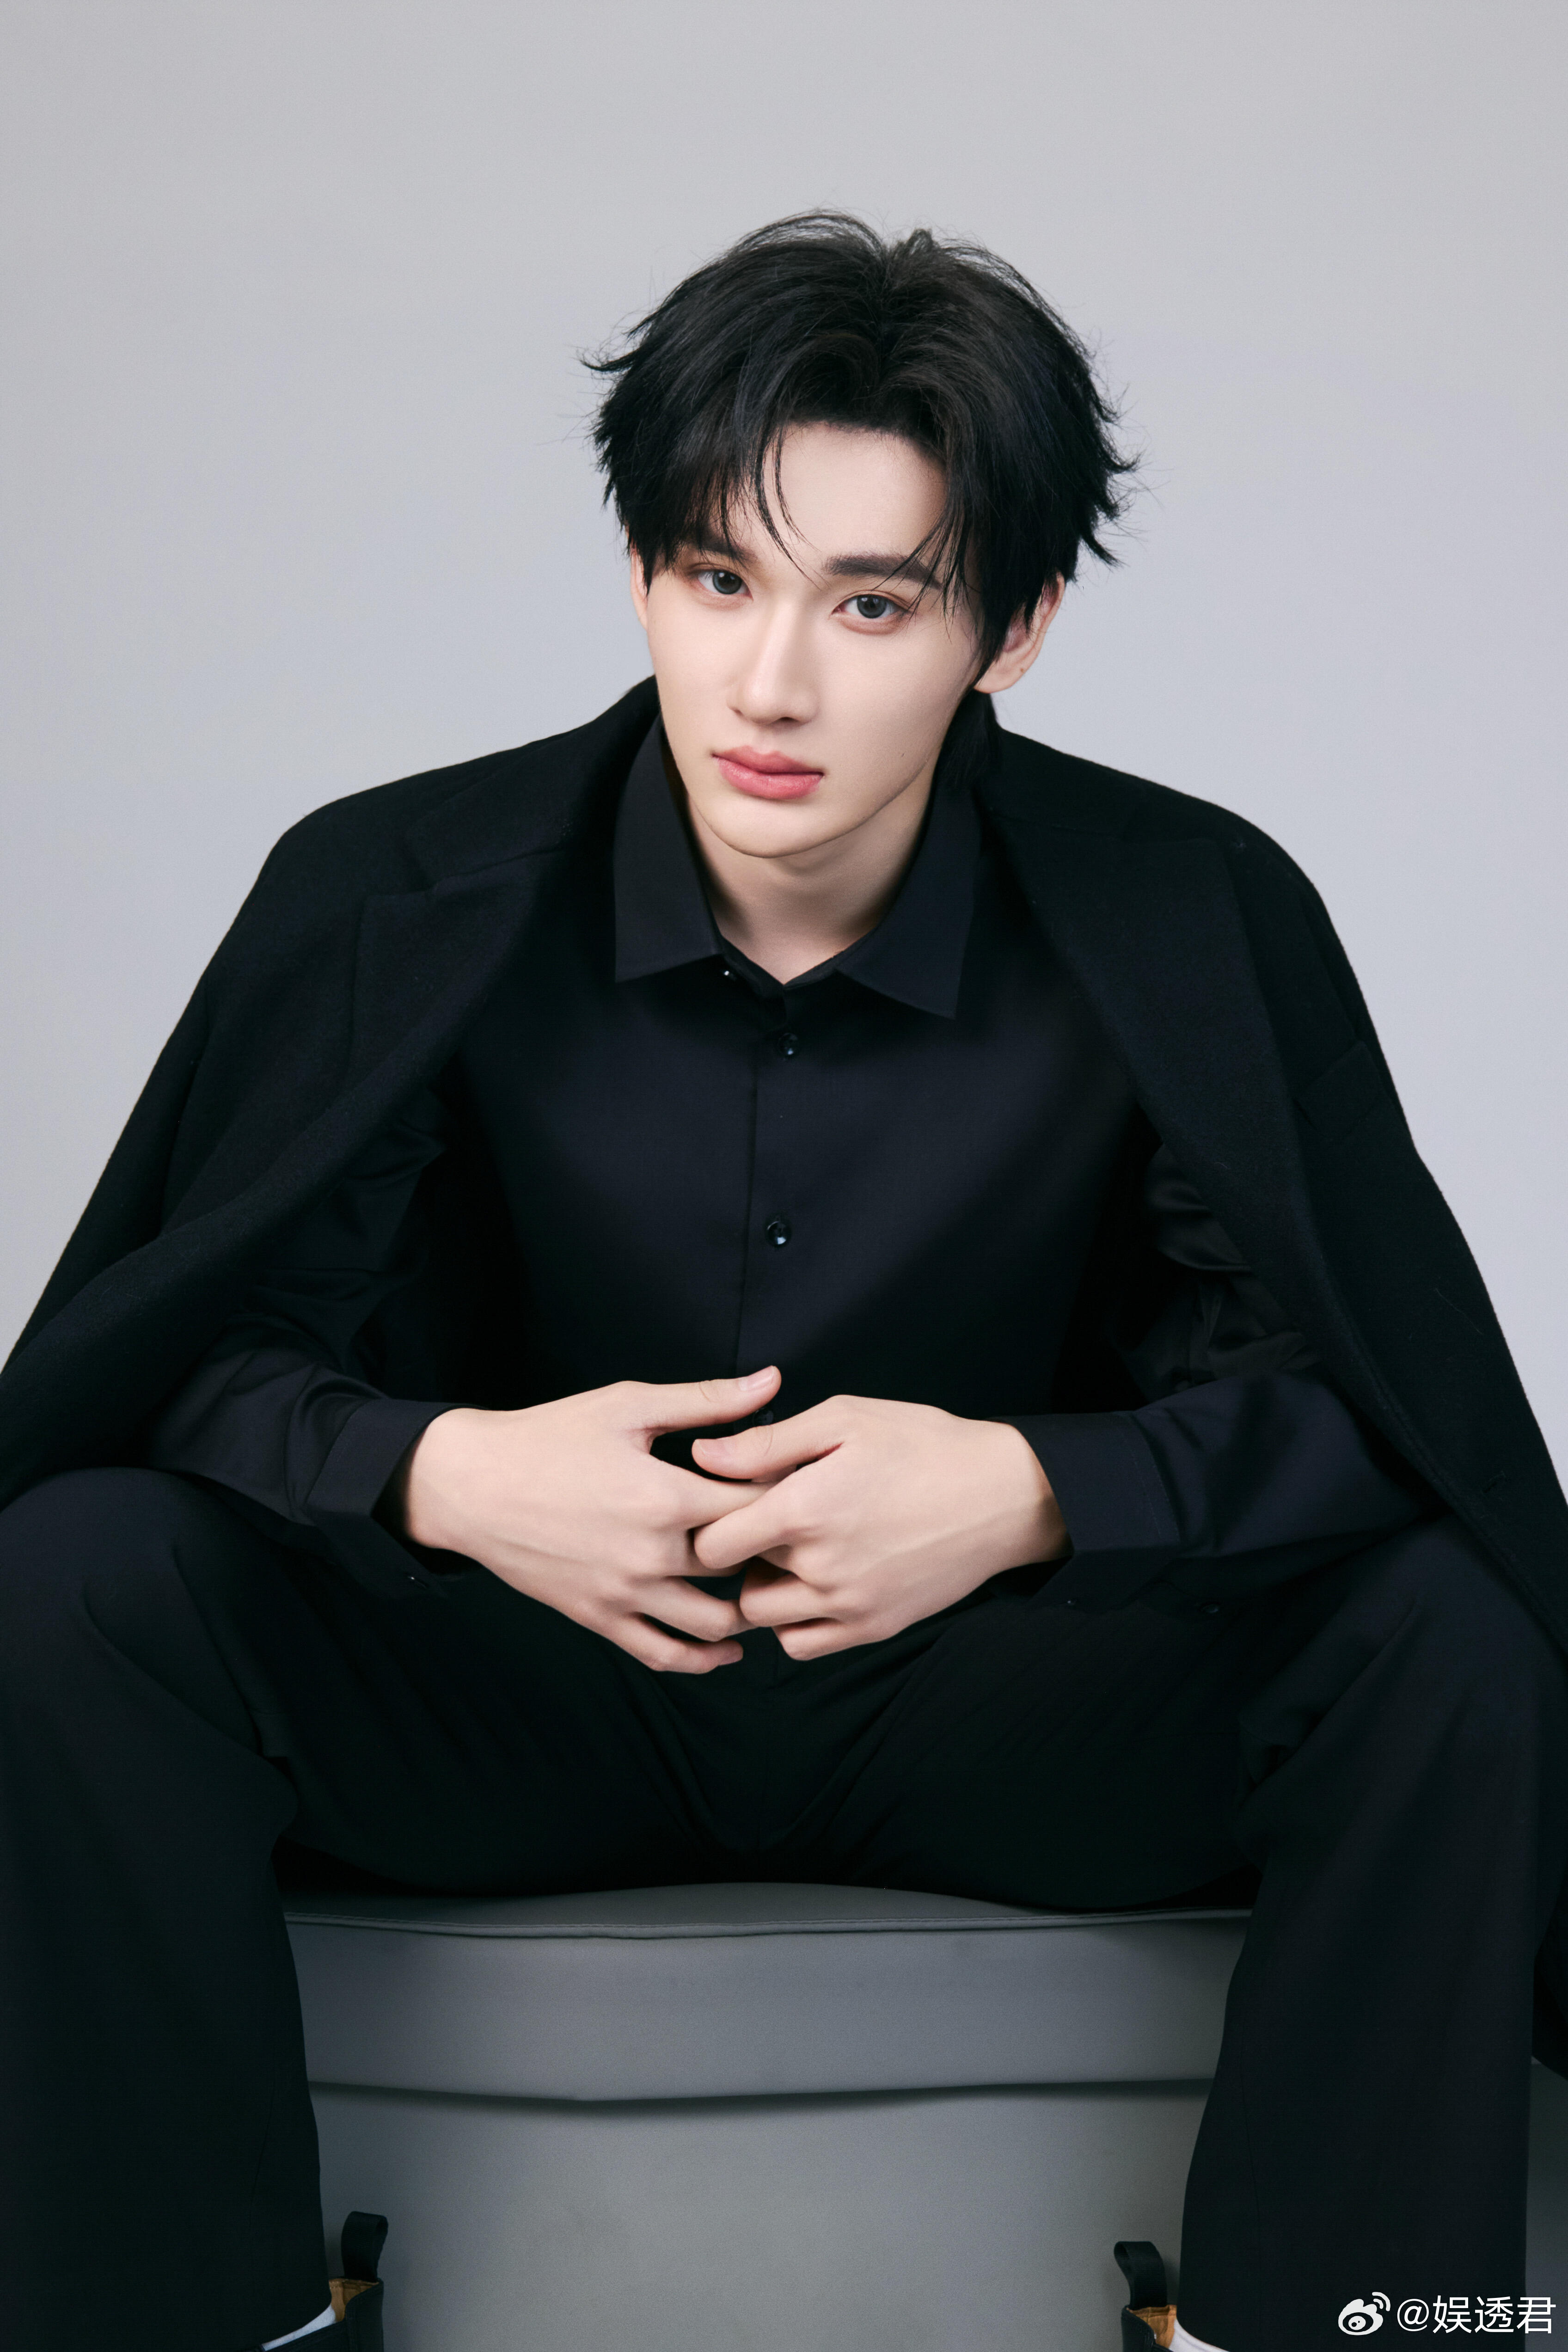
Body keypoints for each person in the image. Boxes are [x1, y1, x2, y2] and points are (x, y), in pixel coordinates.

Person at [1, 212, 1564, 2352]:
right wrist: (440, 1475)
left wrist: (1031, 1493)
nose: (770, 683)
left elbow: (1368, 1402)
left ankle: (1314, 2335)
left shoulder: (1189, 909)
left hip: (993, 1702)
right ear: (640, 575)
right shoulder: (395, 889)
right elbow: (173, 1350)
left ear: (1009, 627)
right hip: (510, 1686)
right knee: (69, 1582)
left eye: (872, 602)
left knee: (1450, 1641)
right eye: (717, 579)